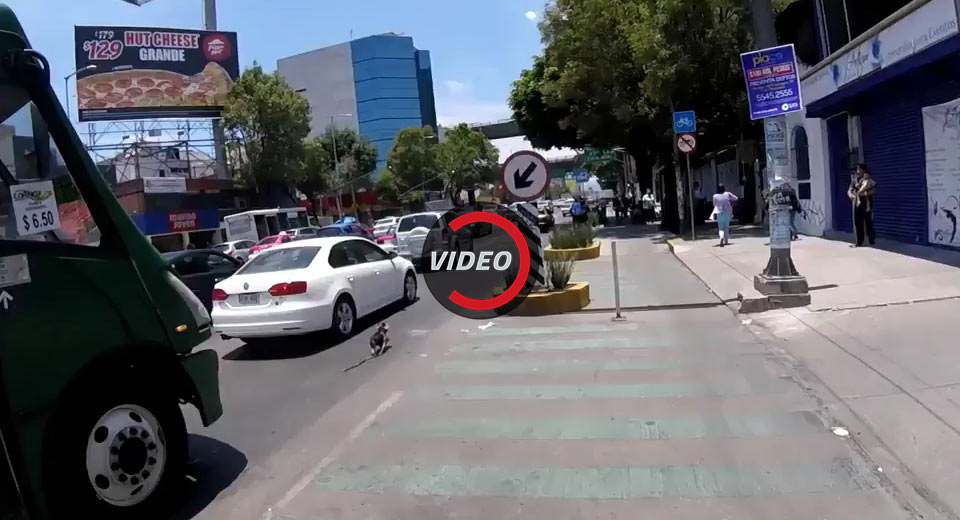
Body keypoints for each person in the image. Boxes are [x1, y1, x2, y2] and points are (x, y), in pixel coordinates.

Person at [847, 163, 877, 247]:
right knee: (857, 222)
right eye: (857, 169)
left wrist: (864, 193)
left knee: (868, 222)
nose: (857, 171)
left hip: (867, 203)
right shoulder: (855, 180)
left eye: (859, 169)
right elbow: (849, 189)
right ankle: (859, 241)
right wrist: (850, 195)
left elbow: (873, 190)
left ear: (864, 170)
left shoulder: (868, 180)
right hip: (856, 203)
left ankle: (871, 239)